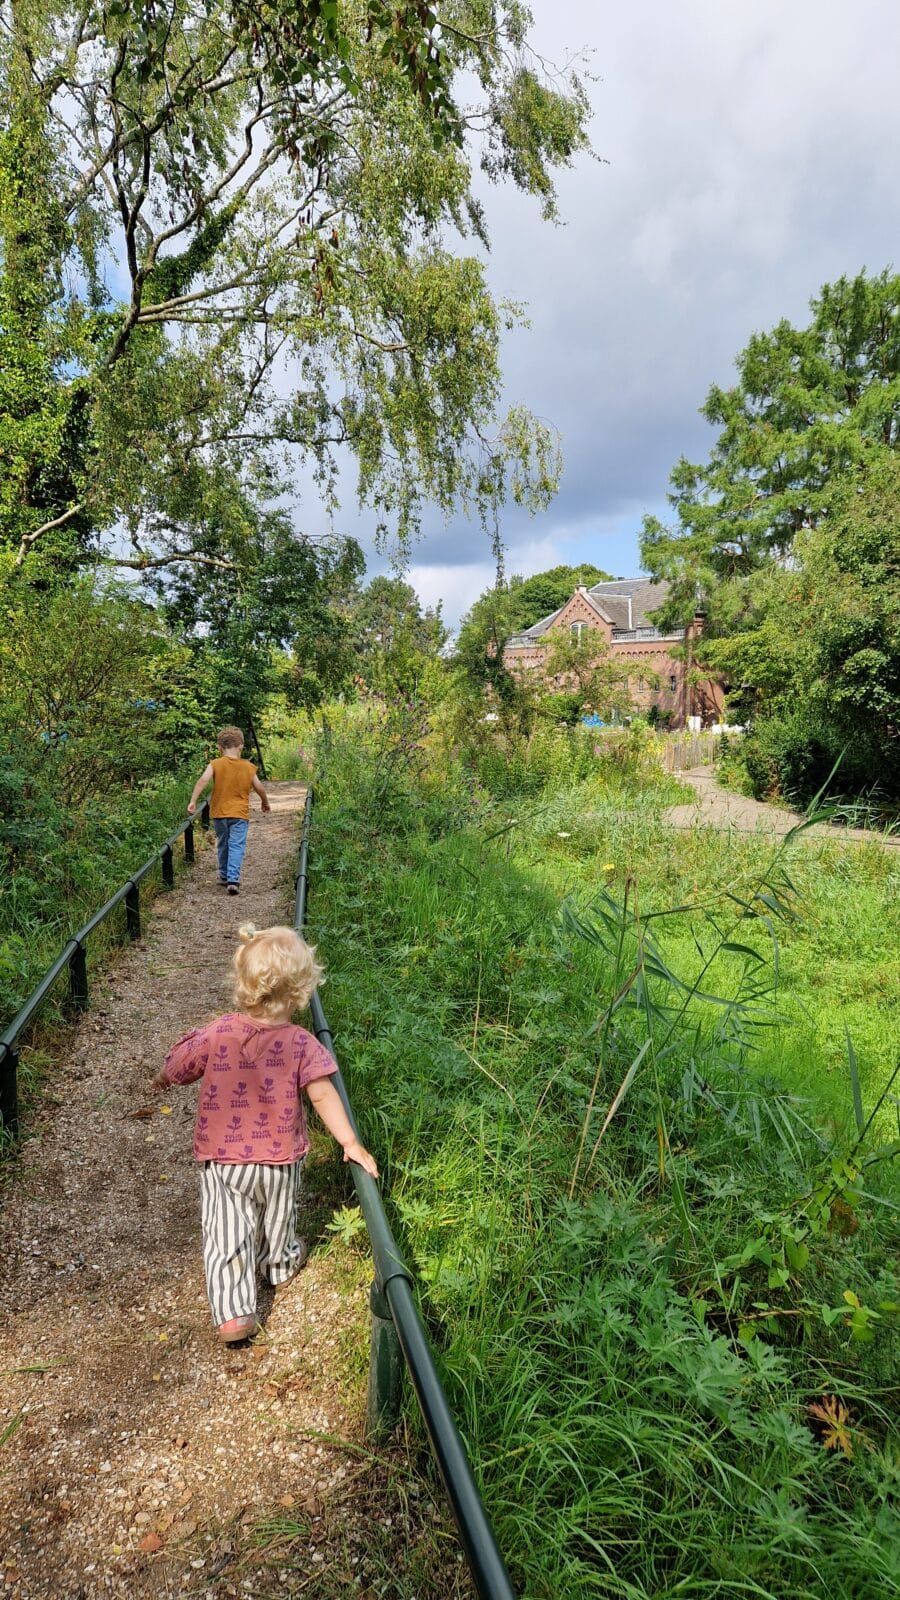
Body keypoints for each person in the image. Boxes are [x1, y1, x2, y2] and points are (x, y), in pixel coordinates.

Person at [153, 924, 378, 1344]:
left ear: (244, 983)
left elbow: (180, 1064)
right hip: (279, 1159)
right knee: (278, 1217)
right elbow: (322, 1094)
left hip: (224, 1160)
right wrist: (350, 1142)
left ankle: (234, 1314)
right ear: (300, 990)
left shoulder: (220, 1031)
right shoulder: (301, 1043)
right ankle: (280, 1264)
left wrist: (164, 1076)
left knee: (225, 1232)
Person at [188, 726, 270, 895]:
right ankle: (233, 880)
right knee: (236, 845)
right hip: (239, 814)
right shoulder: (248, 766)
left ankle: (224, 875)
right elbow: (259, 787)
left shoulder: (215, 764)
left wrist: (193, 801)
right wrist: (265, 802)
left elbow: (203, 780)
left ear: (220, 747)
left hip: (219, 814)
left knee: (223, 843)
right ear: (241, 746)